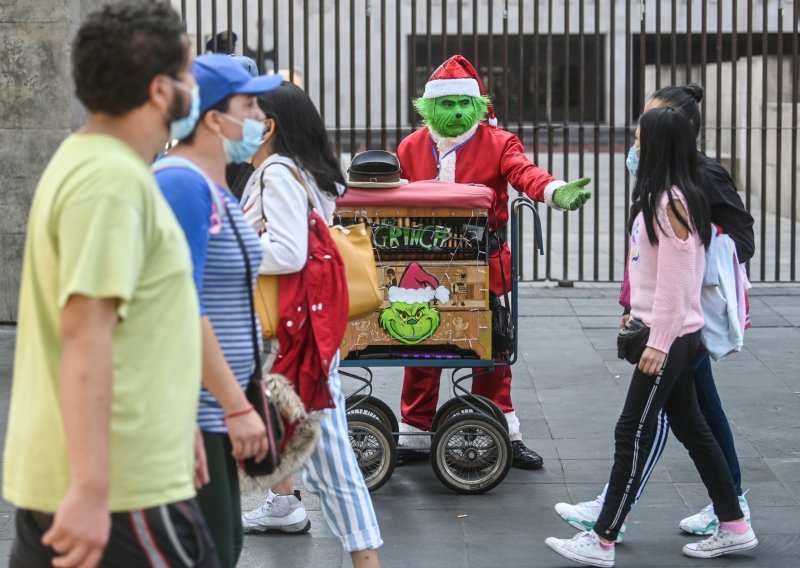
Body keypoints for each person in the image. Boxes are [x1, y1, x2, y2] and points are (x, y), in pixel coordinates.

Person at [2, 2, 220, 566]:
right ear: (158, 90)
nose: (195, 87)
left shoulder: (100, 166)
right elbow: (85, 333)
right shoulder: (111, 181)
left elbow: (142, 325)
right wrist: (93, 490)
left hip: (118, 476)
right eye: (188, 73)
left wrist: (176, 426)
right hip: (124, 490)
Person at [545, 107, 757, 567]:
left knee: (632, 430)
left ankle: (602, 538)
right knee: (693, 428)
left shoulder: (671, 203)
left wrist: (657, 342)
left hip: (671, 338)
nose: (634, 147)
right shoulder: (665, 198)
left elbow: (678, 285)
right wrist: (633, 313)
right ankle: (734, 524)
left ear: (658, 146)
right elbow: (651, 272)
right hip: (668, 333)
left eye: (640, 139)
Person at [396, 55, 592, 469]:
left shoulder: (500, 142)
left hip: (483, 263)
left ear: (479, 106)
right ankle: (414, 431)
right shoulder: (410, 147)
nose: (455, 113)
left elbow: (524, 173)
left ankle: (501, 430)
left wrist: (554, 191)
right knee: (418, 341)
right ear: (429, 107)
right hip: (424, 265)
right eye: (445, 105)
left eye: (462, 104)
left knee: (491, 347)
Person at [239, 81, 383, 568]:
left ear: (269, 125)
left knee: (331, 456)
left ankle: (365, 558)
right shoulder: (297, 171)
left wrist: (225, 247)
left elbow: (287, 252)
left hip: (289, 334)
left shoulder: (276, 173)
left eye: (245, 112)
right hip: (301, 330)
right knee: (309, 450)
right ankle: (286, 507)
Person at [155, 54, 282, 568]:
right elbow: (180, 305)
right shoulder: (181, 184)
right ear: (213, 118)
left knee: (223, 548)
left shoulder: (213, 188)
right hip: (196, 411)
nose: (259, 118)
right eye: (248, 105)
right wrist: (233, 406)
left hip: (216, 409)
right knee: (208, 552)